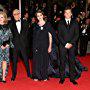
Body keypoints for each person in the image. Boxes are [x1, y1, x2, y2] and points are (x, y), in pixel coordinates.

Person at [58, 7, 79, 85]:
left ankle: (72, 79)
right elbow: (59, 35)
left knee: (72, 62)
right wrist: (65, 44)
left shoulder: (75, 22)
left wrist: (71, 43)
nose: (67, 14)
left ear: (71, 14)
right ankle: (62, 78)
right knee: (62, 62)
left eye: (69, 12)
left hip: (72, 45)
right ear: (64, 14)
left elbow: (77, 35)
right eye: (66, 12)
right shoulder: (60, 23)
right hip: (62, 45)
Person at [9, 9, 31, 81]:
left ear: (20, 14)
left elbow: (28, 34)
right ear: (13, 15)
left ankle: (29, 73)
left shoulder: (25, 22)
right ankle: (14, 75)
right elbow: (10, 35)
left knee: (26, 60)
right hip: (15, 46)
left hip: (23, 45)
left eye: (17, 13)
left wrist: (26, 43)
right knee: (14, 61)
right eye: (14, 14)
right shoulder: (10, 24)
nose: (16, 15)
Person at [32, 10, 52, 81]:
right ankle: (36, 76)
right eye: (38, 16)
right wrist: (34, 47)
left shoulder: (48, 24)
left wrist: (50, 46)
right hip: (37, 46)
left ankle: (44, 76)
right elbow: (34, 37)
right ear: (36, 17)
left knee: (44, 61)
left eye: (40, 15)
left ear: (43, 15)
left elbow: (50, 36)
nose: (39, 17)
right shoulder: (35, 25)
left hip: (45, 45)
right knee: (37, 61)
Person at [0, 11, 13, 83]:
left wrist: (8, 44)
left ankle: (3, 77)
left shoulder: (8, 27)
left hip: (6, 47)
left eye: (1, 17)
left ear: (4, 18)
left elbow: (11, 37)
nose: (0, 19)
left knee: (5, 61)